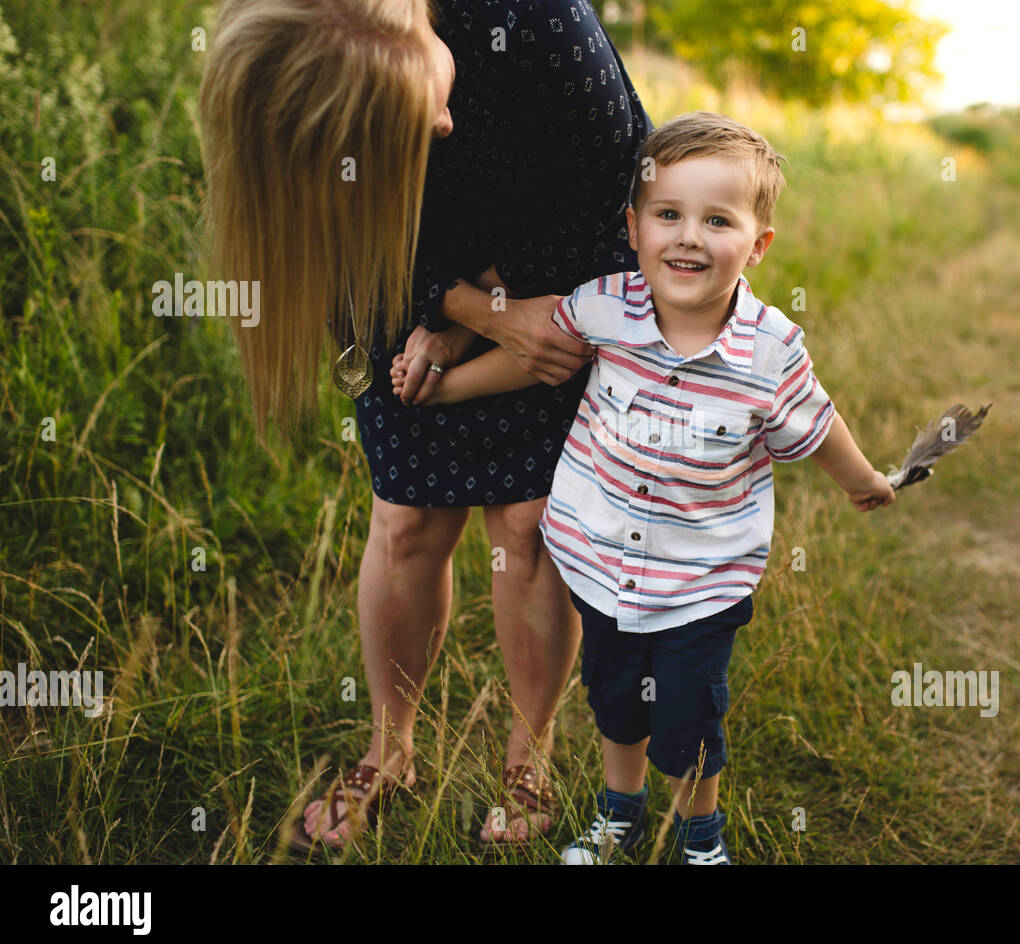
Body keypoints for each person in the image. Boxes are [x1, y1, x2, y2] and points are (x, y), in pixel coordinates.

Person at [198, 0, 651, 851]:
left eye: (429, 97)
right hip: (392, 266)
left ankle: (530, 750)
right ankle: (389, 749)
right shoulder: (297, 62)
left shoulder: (542, 24)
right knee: (405, 520)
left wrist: (487, 321)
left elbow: (611, 195)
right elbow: (334, 225)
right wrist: (453, 306)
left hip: (557, 266)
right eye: (408, 123)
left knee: (527, 522)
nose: (445, 121)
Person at [391, 111, 896, 864]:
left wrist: (864, 482)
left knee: (689, 717)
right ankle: (619, 813)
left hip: (701, 581)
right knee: (616, 702)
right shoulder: (607, 307)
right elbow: (534, 356)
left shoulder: (770, 350)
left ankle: (699, 835)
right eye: (669, 214)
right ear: (634, 227)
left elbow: (817, 426)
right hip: (601, 569)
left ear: (757, 245)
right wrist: (448, 386)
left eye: (717, 220)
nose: (689, 236)